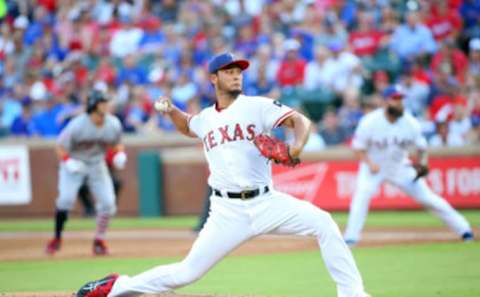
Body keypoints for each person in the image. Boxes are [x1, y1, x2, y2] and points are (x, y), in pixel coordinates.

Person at [74, 53, 371, 297]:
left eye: (238, 71)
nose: (236, 75)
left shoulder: (257, 105)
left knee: (323, 223)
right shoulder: (206, 118)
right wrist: (171, 110)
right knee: (186, 273)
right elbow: (188, 125)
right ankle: (116, 287)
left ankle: (353, 294)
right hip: (226, 212)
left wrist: (296, 146)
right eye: (228, 71)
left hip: (268, 203)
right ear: (214, 78)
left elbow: (299, 120)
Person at [344, 85, 474, 246]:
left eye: (401, 99)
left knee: (429, 199)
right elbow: (358, 148)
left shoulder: (410, 123)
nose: (399, 103)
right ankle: (351, 237)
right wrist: (370, 163)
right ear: (385, 102)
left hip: (400, 167)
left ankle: (464, 229)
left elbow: (422, 148)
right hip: (373, 166)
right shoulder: (370, 121)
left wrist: (423, 163)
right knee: (361, 196)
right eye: (395, 99)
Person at [45, 90, 127, 256]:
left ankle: (99, 240)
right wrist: (68, 161)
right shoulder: (77, 124)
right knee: (65, 200)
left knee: (108, 203)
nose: (106, 105)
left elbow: (116, 144)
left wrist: (119, 153)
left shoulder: (113, 123)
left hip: (97, 164)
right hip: (75, 164)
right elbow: (59, 147)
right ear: (93, 105)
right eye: (103, 102)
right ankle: (57, 238)